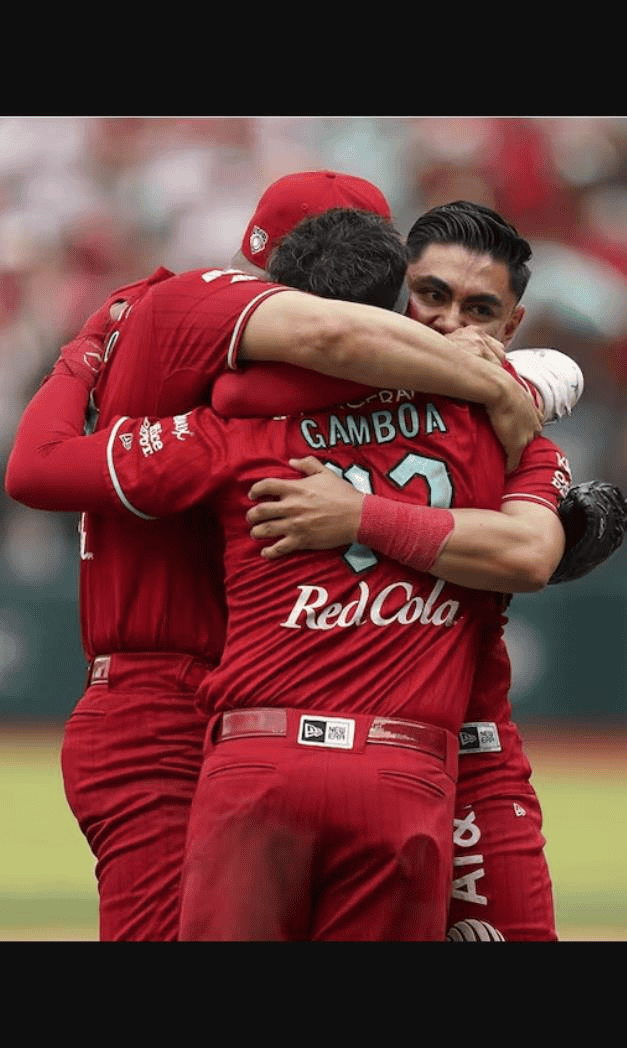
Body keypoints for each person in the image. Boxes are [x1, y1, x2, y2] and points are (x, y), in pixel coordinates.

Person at [2, 170, 549, 941]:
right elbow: (330, 337)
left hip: (239, 705)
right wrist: (505, 381)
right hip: (164, 701)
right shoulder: (206, 307)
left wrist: (83, 352)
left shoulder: (237, 403)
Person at [224, 200, 623, 940]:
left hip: (466, 746)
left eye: (478, 310)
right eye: (430, 294)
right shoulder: (294, 398)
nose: (445, 322)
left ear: (510, 327)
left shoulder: (518, 438)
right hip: (299, 747)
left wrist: (357, 516)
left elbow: (529, 555)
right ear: (389, 289)